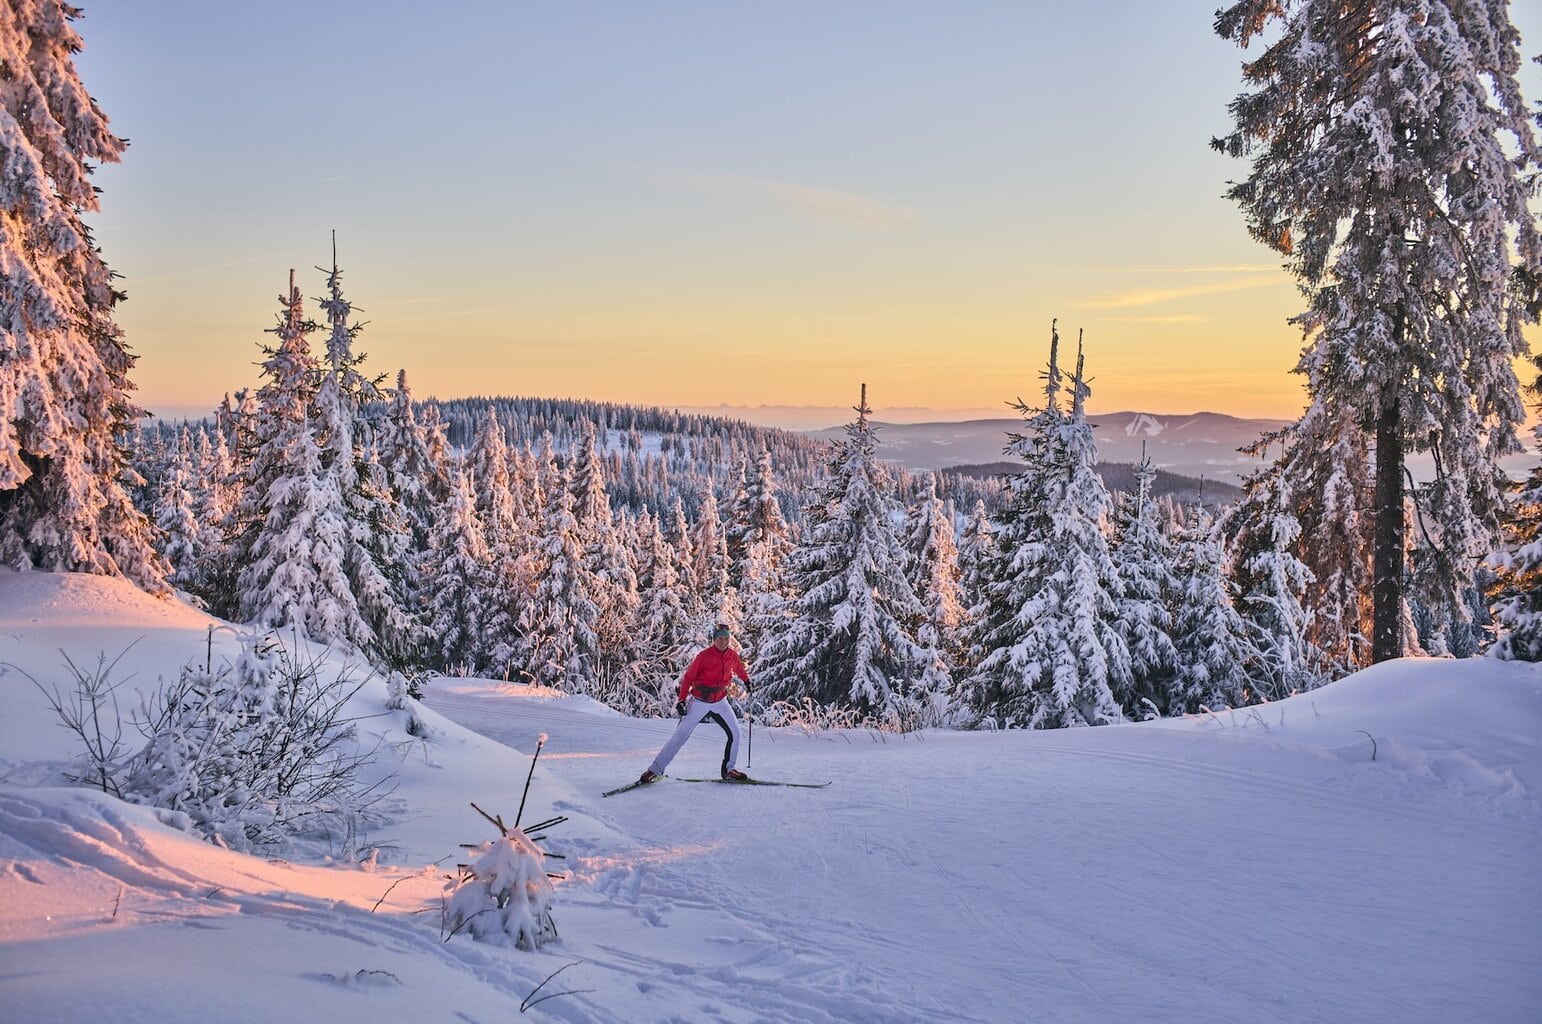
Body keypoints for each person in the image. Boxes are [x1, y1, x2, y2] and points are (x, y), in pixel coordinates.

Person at [640, 624, 750, 783]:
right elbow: (688, 678)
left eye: (727, 639)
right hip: (699, 700)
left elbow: (739, 668)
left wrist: (747, 681)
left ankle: (729, 770)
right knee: (680, 736)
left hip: (720, 701)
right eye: (720, 638)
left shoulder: (731, 655)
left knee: (736, 734)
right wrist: (682, 700)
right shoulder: (703, 656)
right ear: (714, 639)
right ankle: (654, 770)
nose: (724, 642)